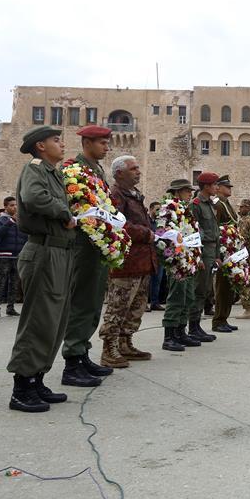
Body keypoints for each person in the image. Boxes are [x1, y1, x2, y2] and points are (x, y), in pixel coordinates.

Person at [6, 125, 76, 412]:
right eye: (56, 140)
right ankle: (21, 387)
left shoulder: (54, 174)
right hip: (44, 250)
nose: (62, 144)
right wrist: (64, 212)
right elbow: (34, 199)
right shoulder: (35, 169)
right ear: (41, 147)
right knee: (38, 320)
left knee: (54, 321)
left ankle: (37, 378)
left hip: (60, 250)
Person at [61, 125, 114, 388]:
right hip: (83, 244)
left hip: (98, 245)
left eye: (107, 142)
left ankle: (82, 354)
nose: (106, 147)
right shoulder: (74, 170)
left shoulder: (97, 170)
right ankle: (72, 361)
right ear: (87, 143)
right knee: (82, 302)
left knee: (93, 303)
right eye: (102, 143)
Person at [98, 156, 161, 368]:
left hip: (142, 261)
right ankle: (109, 349)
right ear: (119, 174)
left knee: (136, 306)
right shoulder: (115, 195)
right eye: (133, 168)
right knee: (118, 306)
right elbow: (119, 225)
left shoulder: (133, 195)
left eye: (138, 167)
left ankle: (125, 343)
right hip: (126, 262)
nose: (138, 171)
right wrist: (147, 234)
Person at [158, 179, 204, 351]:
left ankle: (180, 331)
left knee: (188, 297)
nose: (190, 194)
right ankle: (169, 335)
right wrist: (175, 255)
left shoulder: (186, 210)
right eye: (187, 191)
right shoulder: (169, 208)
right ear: (177, 192)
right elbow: (163, 232)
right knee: (176, 297)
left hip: (188, 259)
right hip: (177, 259)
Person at [189, 172, 220, 339]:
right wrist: (198, 256)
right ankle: (193, 326)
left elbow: (215, 231)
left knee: (205, 290)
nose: (217, 187)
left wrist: (216, 255)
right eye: (214, 184)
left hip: (211, 250)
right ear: (206, 186)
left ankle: (196, 325)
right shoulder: (196, 204)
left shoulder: (210, 204)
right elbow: (193, 231)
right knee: (199, 289)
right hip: (202, 250)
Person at [0, 196, 26, 318]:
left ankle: (11, 307)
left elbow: (25, 237)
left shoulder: (21, 220)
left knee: (14, 284)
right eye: (11, 205)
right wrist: (10, 222)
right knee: (0, 283)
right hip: (4, 256)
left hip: (18, 256)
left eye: (16, 205)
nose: (15, 207)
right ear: (5, 207)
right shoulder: (0, 220)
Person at [211, 174, 239, 333]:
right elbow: (215, 228)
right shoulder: (217, 204)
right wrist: (218, 252)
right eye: (227, 186)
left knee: (229, 286)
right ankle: (218, 320)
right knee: (222, 287)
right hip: (222, 249)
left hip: (231, 249)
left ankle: (224, 318)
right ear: (219, 188)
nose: (229, 189)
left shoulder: (226, 203)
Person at [147, 201, 165, 312]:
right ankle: (145, 303)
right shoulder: (147, 221)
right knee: (147, 279)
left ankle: (155, 302)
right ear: (151, 209)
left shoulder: (160, 223)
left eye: (160, 210)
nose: (159, 212)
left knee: (157, 279)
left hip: (159, 254)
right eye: (157, 209)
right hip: (149, 254)